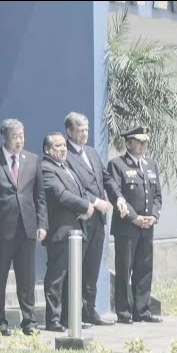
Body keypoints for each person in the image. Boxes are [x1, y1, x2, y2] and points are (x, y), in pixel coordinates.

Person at [0, 119, 48, 336]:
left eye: (22, 136)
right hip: (0, 229)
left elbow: (40, 196)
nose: (19, 141)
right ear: (4, 138)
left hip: (26, 229)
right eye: (14, 136)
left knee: (27, 278)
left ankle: (29, 321)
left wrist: (42, 223)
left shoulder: (33, 160)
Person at [63, 112, 128, 325]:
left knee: (91, 268)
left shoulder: (91, 152)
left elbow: (105, 178)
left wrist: (117, 197)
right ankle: (70, 314)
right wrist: (95, 201)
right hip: (80, 219)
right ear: (69, 131)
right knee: (76, 268)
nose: (84, 134)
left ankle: (89, 310)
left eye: (86, 130)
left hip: (99, 220)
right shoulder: (65, 153)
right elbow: (73, 185)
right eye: (80, 130)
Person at [106, 126, 163, 324]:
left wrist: (154, 216)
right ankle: (124, 312)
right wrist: (134, 217)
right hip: (127, 227)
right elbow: (117, 194)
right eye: (138, 142)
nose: (142, 145)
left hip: (147, 227)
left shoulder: (151, 165)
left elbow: (157, 196)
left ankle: (143, 311)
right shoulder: (117, 165)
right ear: (128, 143)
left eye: (144, 142)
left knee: (144, 269)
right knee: (124, 269)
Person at [41, 132, 94, 332]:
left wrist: (87, 205)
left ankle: (69, 317)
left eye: (64, 145)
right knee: (57, 278)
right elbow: (60, 195)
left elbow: (80, 190)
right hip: (60, 232)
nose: (63, 149)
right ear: (47, 150)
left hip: (75, 231)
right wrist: (85, 206)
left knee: (72, 278)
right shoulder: (46, 168)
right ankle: (53, 319)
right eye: (57, 146)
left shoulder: (66, 167)